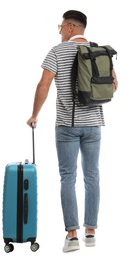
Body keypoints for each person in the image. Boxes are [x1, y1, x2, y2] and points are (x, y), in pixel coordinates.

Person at [27, 10, 118, 252]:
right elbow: (114, 85)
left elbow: (43, 84)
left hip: (67, 125)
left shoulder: (57, 51)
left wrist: (35, 114)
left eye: (60, 26)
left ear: (69, 27)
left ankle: (72, 236)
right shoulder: (100, 51)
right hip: (94, 124)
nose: (58, 31)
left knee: (68, 178)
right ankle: (91, 233)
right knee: (92, 176)